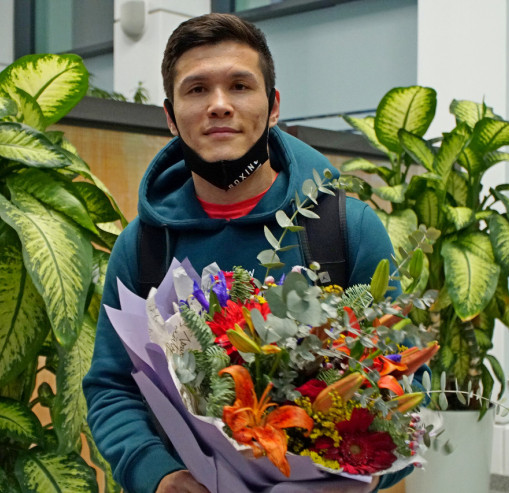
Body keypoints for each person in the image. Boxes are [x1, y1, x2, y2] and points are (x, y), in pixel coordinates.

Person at [83, 13, 412, 493]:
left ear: (273, 106)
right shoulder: (142, 247)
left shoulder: (347, 230)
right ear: (170, 116)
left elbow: (405, 380)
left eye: (240, 86)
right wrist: (158, 475)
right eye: (197, 89)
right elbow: (112, 387)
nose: (219, 105)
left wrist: (366, 475)